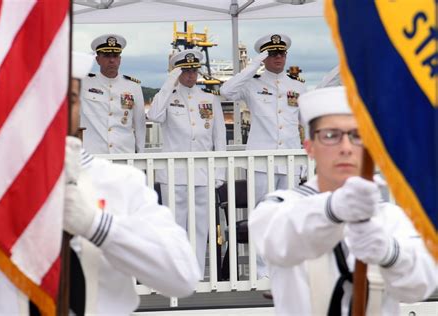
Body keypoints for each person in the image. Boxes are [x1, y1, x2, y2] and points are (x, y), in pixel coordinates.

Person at [0, 52, 200, 315]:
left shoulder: (122, 182)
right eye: (39, 98)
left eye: (69, 98)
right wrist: (0, 207)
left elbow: (182, 276)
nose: (55, 109)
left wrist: (99, 226)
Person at [249, 86, 437, 315]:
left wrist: (390, 253)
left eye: (358, 136)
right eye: (330, 136)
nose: (346, 148)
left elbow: (419, 287)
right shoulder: (278, 207)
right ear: (309, 148)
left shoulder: (392, 218)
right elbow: (280, 241)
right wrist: (333, 209)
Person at [147, 49, 227, 275]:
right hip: (174, 174)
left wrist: (219, 173)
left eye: (194, 70)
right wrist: (170, 80)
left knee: (201, 227)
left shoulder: (209, 99)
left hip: (203, 173)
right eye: (185, 71)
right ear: (178, 72)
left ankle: (198, 273)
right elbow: (153, 116)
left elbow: (219, 139)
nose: (191, 75)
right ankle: (175, 274)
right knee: (175, 226)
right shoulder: (168, 97)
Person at [220, 33, 307, 204]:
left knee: (290, 214)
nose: (278, 57)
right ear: (264, 57)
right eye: (273, 54)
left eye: (282, 54)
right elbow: (226, 91)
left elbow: (309, 124)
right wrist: (253, 65)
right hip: (261, 163)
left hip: (291, 160)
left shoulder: (298, 86)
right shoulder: (251, 84)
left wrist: (306, 158)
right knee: (262, 211)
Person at [80, 34, 146, 154]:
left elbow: (140, 125)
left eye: (115, 56)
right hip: (94, 155)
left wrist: (140, 156)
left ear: (120, 59)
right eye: (106, 56)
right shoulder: (84, 83)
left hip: (124, 154)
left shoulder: (133, 86)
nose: (111, 60)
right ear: (97, 59)